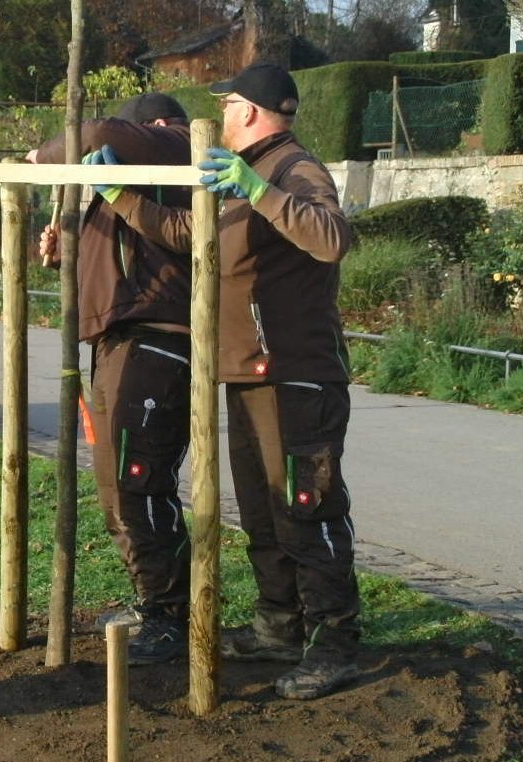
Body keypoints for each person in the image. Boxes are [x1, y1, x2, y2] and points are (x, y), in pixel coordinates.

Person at [94, 62, 361, 700]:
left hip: (296, 376)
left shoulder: (294, 169)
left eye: (227, 105)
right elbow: (190, 234)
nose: (221, 116)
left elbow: (332, 239)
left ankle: (335, 644)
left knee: (306, 507)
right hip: (247, 374)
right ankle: (279, 627)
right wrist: (121, 195)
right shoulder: (244, 175)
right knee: (264, 513)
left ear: (247, 111)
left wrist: (259, 190)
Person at [25, 92, 195, 666]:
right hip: (117, 341)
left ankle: (171, 616)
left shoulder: (173, 146)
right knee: (115, 487)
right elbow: (120, 255)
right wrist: (64, 253)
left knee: (137, 479)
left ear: (151, 126)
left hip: (154, 341)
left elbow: (96, 132)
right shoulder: (130, 184)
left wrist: (40, 156)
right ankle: (154, 602)